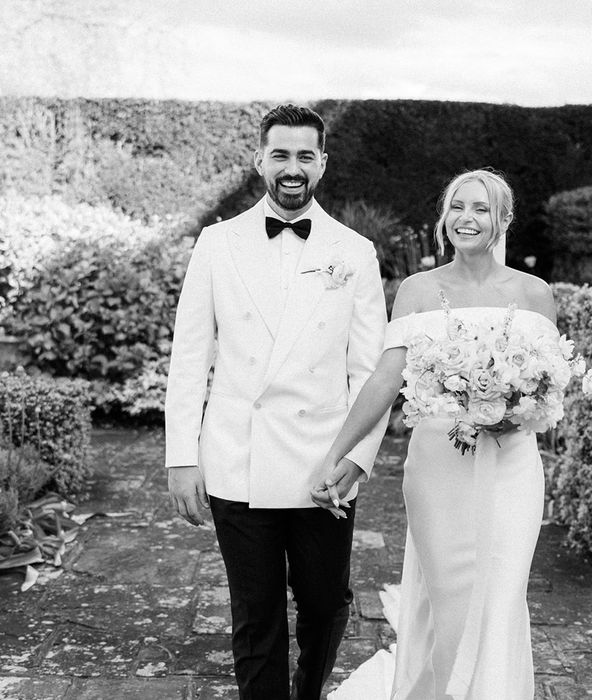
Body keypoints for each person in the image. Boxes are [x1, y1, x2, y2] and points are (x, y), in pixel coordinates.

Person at [165, 104, 389, 700]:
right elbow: (190, 356)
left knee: (325, 605)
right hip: (239, 459)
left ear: (322, 163)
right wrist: (181, 456)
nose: (293, 168)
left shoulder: (356, 252)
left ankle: (309, 690)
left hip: (324, 462)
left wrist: (357, 459)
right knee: (255, 614)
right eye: (281, 154)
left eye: (305, 155)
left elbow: (372, 373)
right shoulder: (217, 244)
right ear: (260, 159)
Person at [313, 169, 556, 699]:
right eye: (458, 208)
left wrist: (514, 412)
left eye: (482, 209)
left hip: (512, 462)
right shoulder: (418, 291)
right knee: (450, 596)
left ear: (504, 220)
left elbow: (550, 387)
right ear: (445, 216)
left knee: (502, 593)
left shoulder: (535, 294)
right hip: (439, 465)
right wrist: (337, 453)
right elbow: (385, 378)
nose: (467, 219)